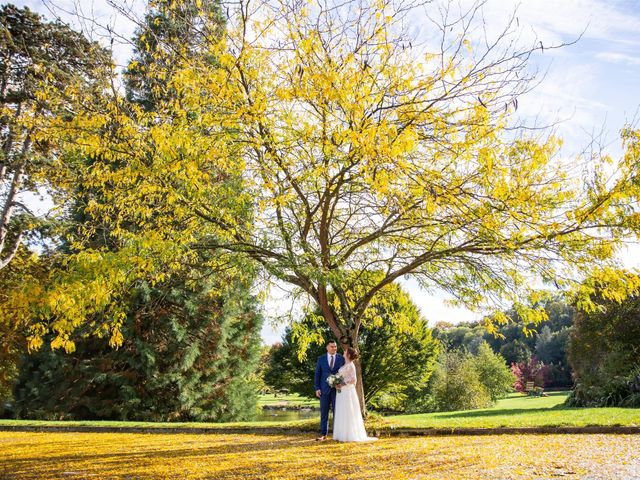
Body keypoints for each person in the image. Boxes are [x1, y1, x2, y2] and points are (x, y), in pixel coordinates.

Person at [332, 347, 377, 442]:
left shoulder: (351, 365)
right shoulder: (345, 364)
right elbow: (342, 376)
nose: (343, 352)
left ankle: (349, 435)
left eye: (345, 351)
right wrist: (336, 383)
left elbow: (353, 380)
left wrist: (342, 384)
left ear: (348, 354)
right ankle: (341, 434)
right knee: (342, 410)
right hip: (341, 391)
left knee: (348, 411)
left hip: (348, 391)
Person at [314, 340, 344, 441]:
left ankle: (338, 434)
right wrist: (317, 388)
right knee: (324, 412)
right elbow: (317, 374)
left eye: (335, 347)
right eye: (332, 347)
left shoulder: (341, 358)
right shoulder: (321, 359)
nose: (334, 348)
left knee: (337, 412)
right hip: (324, 390)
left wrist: (340, 383)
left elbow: (344, 373)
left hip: (337, 390)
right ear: (327, 347)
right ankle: (323, 434)